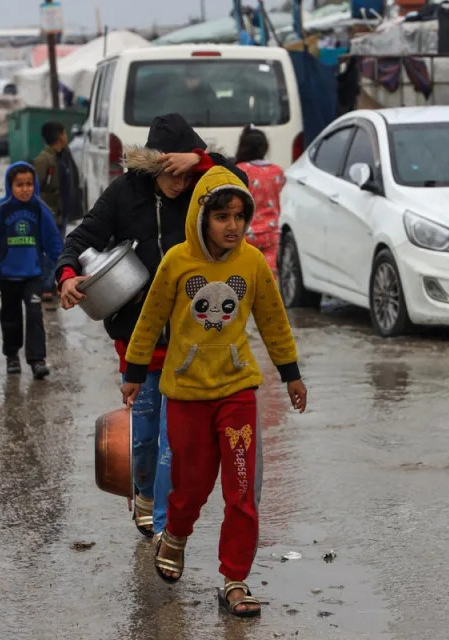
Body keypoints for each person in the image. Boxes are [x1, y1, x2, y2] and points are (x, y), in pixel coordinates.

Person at [120, 166, 307, 618]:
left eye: (240, 217)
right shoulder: (177, 262)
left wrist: (290, 373)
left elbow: (272, 319)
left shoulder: (252, 265)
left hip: (237, 392)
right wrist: (135, 371)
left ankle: (235, 580)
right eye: (222, 216)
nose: (233, 226)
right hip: (185, 395)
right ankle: (176, 535)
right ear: (202, 217)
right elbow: (149, 320)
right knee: (191, 485)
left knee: (241, 488)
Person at [56, 113, 248, 542]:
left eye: (185, 174)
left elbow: (238, 181)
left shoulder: (203, 191)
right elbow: (80, 237)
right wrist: (67, 273)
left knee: (172, 442)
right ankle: (143, 492)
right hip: (137, 338)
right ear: (152, 166)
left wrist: (199, 160)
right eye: (170, 174)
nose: (179, 184)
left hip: (188, 335)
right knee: (143, 438)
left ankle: (163, 526)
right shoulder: (124, 194)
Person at [0, 163, 63, 380]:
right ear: (10, 185)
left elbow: (53, 242)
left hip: (33, 275)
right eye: (19, 185)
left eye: (29, 184)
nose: (25, 189)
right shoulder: (1, 209)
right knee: (11, 317)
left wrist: (64, 268)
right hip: (8, 275)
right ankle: (12, 355)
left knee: (35, 315)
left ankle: (37, 360)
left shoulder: (40, 209)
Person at [33, 120, 80, 301]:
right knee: (52, 250)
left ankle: (49, 284)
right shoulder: (44, 160)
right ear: (60, 136)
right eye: (65, 133)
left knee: (58, 249)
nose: (67, 137)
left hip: (62, 213)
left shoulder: (64, 156)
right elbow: (36, 189)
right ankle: (45, 286)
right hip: (50, 214)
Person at [235, 125, 284, 274]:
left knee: (245, 275)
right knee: (268, 277)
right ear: (266, 148)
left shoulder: (240, 170)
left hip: (245, 234)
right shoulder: (277, 171)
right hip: (271, 233)